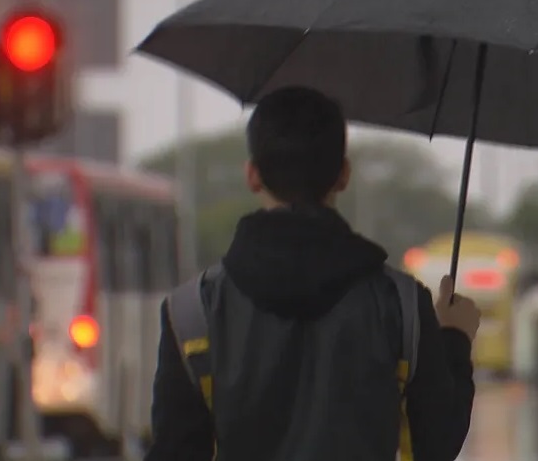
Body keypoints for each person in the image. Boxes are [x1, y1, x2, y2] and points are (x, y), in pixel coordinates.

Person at [145, 86, 481, 461]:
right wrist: (454, 338)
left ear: (252, 176)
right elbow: (433, 448)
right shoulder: (403, 310)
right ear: (343, 175)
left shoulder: (193, 314)